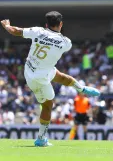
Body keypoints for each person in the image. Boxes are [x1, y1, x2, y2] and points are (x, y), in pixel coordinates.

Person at [1, 11, 100, 147]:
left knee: (56, 74)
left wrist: (6, 25)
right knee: (48, 105)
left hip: (30, 69)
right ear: (61, 24)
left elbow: (15, 31)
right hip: (38, 79)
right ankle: (41, 139)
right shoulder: (66, 43)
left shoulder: (37, 31)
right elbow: (57, 45)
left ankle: (81, 88)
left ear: (46, 24)